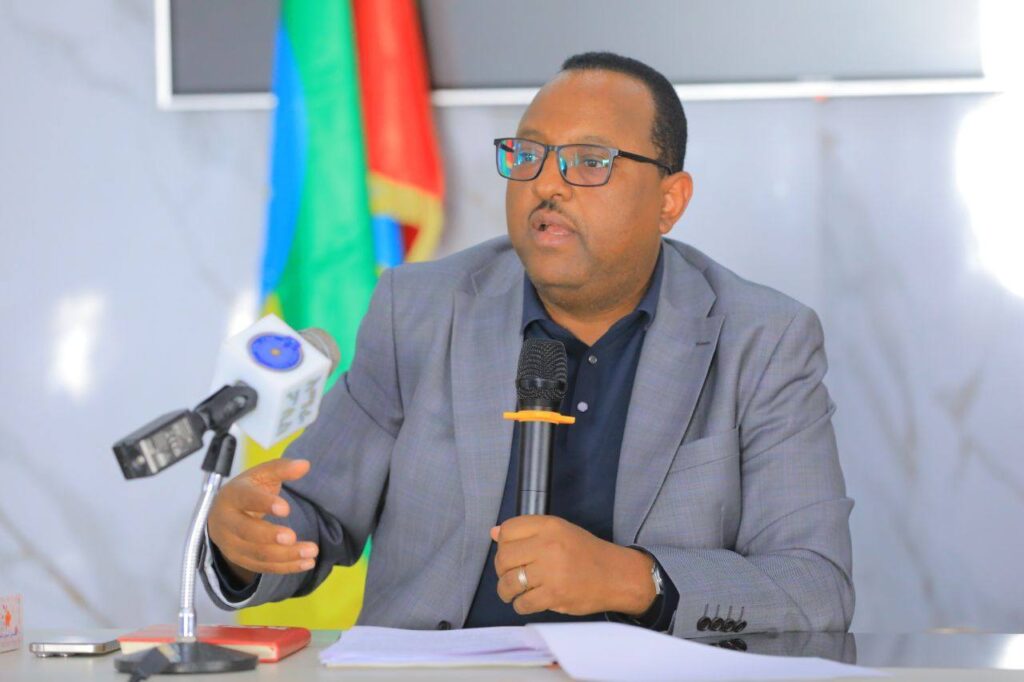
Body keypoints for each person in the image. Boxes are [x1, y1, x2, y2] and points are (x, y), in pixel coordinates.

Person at [201, 51, 854, 637]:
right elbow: (314, 515)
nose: (547, 184)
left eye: (589, 162)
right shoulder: (420, 310)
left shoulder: (761, 340)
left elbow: (815, 586)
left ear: (669, 201)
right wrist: (247, 539)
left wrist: (632, 579)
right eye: (528, 155)